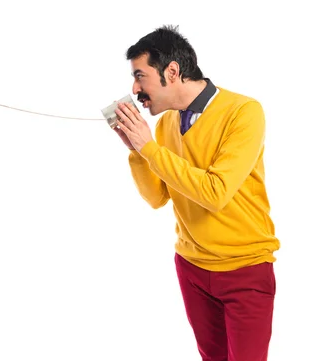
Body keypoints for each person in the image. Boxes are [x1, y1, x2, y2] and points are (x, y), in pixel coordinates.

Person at [112, 25, 280, 361]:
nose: (134, 89)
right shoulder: (165, 124)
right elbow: (158, 197)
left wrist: (150, 149)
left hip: (244, 269)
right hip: (191, 267)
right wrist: (137, 150)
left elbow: (215, 192)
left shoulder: (244, 112)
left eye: (140, 76)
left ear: (171, 72)